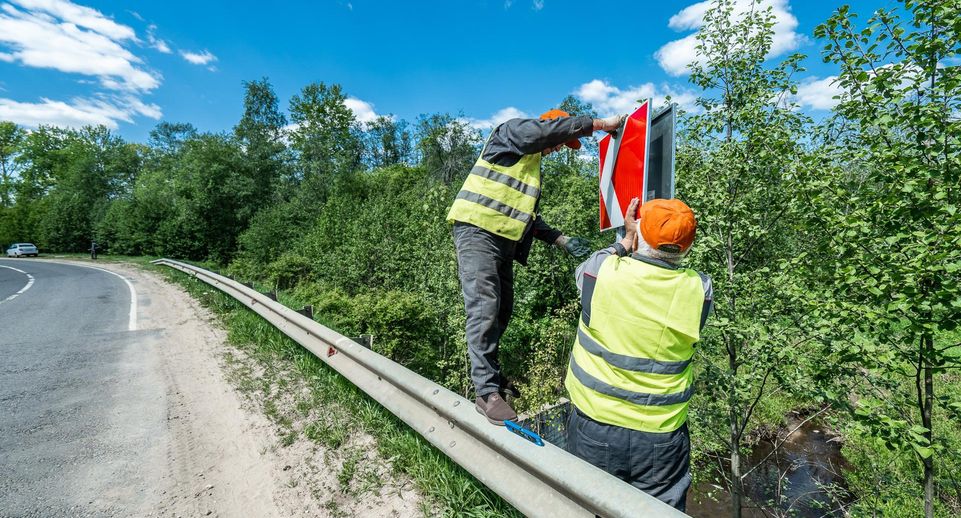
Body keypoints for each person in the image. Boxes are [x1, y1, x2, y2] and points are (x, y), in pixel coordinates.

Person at [447, 109, 625, 425]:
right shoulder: (511, 134)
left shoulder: (530, 169)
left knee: (502, 310)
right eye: (560, 142)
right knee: (484, 307)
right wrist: (597, 125)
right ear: (548, 127)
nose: (558, 149)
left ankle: (493, 380)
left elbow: (527, 216)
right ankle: (486, 392)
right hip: (477, 230)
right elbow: (541, 133)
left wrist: (562, 240)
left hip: (502, 239)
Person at [565, 197, 712, 512]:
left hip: (595, 421)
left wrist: (625, 241)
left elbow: (586, 269)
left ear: (640, 232)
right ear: (687, 246)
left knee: (590, 507)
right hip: (661, 433)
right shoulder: (700, 289)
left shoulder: (601, 271)